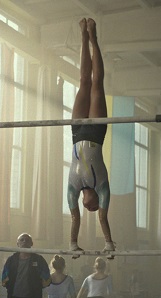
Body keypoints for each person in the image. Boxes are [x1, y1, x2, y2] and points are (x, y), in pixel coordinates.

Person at [67, 18, 114, 253]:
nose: (89, 209)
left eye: (89, 210)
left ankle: (82, 37)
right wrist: (108, 243)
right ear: (97, 201)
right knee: (97, 83)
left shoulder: (73, 188)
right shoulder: (103, 186)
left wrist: (74, 245)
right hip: (95, 132)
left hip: (77, 133)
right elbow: (103, 220)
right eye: (93, 208)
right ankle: (93, 37)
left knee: (83, 82)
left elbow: (74, 219)